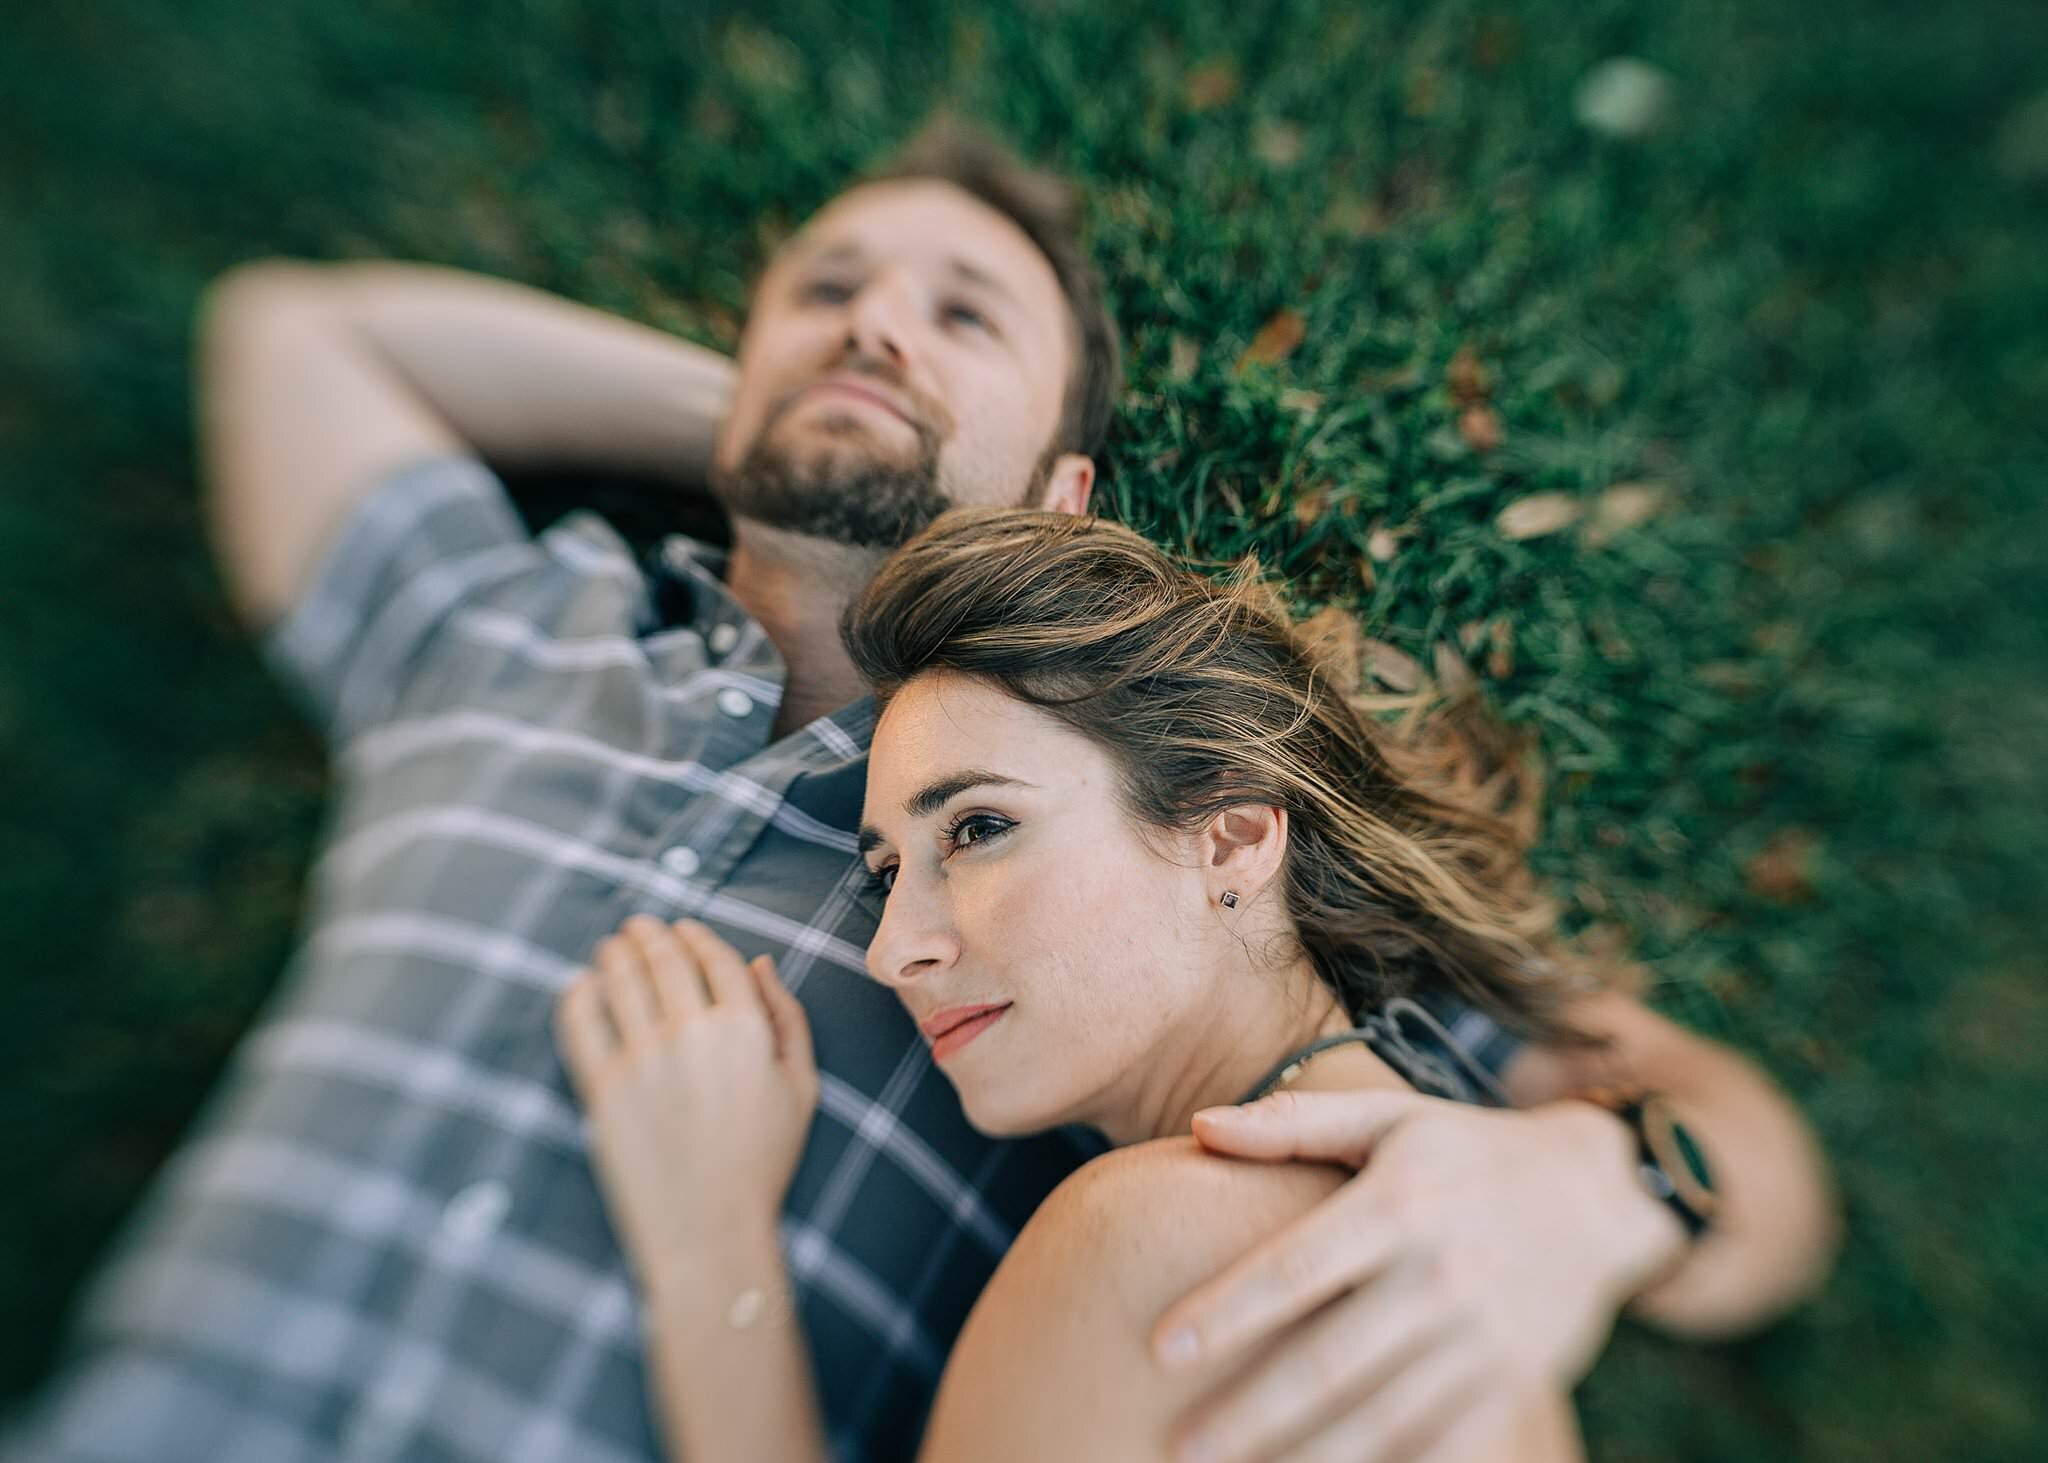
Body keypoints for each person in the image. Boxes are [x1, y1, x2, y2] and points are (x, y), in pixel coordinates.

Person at [3, 122, 1836, 1463]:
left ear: (1065, 484)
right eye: (824, 294)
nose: (873, 326)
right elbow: (292, 336)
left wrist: (1606, 1194)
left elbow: (1743, 1164)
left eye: (960, 314)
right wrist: (776, 421)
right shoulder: (509, 623)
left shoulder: (1122, 839)